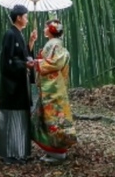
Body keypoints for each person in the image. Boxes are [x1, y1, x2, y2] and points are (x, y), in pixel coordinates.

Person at [0, 4, 37, 164]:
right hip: (11, 87)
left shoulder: (18, 34)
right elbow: (8, 61)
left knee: (19, 118)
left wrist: (31, 43)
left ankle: (19, 153)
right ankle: (10, 155)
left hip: (20, 85)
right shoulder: (10, 34)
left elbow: (23, 55)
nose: (27, 19)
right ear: (19, 17)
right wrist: (24, 65)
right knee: (12, 118)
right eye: (26, 16)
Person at [32, 19, 76, 164]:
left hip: (53, 90)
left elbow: (56, 63)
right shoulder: (54, 43)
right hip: (52, 89)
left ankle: (58, 154)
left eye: (46, 27)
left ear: (51, 29)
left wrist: (37, 62)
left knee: (54, 120)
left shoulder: (54, 44)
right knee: (49, 120)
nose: (44, 29)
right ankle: (52, 151)